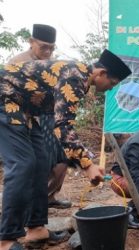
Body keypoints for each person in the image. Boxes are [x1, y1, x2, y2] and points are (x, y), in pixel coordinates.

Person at [0, 49, 131, 250]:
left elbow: (61, 123)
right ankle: (7, 239)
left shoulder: (80, 76)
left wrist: (85, 159)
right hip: (5, 100)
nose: (110, 89)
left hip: (23, 109)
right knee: (23, 164)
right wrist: (87, 165)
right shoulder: (76, 76)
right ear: (101, 73)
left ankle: (36, 228)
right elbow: (63, 127)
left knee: (41, 160)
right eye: (112, 83)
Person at [8, 23, 71, 209]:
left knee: (61, 158)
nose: (48, 51)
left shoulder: (52, 63)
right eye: (44, 46)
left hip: (49, 117)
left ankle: (49, 196)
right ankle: (28, 205)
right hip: (24, 120)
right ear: (31, 42)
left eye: (51, 48)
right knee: (33, 163)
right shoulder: (17, 62)